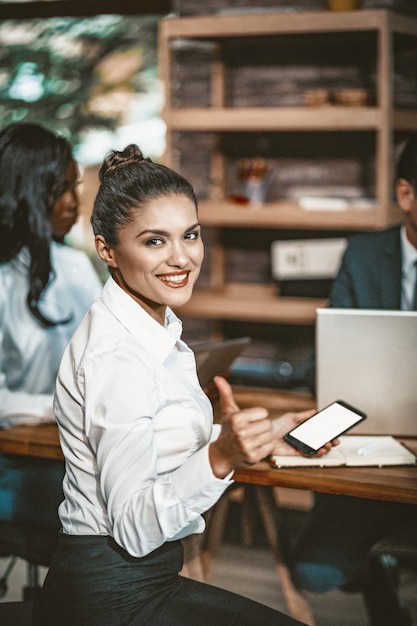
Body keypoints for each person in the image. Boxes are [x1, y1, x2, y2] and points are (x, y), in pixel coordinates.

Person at [39, 144, 337, 626]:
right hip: (109, 598)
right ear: (107, 249)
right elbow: (134, 528)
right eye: (155, 241)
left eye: (190, 235)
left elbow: (160, 442)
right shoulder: (118, 357)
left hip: (140, 583)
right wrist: (220, 459)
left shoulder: (153, 329)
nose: (182, 258)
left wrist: (261, 439)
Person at [292, 136, 417, 625]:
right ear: (406, 195)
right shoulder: (364, 256)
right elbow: (324, 360)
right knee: (313, 570)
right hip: (370, 445)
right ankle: (379, 571)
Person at [0, 122, 103, 531]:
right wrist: (56, 410)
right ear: (22, 192)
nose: (73, 202)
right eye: (59, 189)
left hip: (71, 449)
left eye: (74, 187)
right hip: (16, 459)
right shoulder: (4, 280)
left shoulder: (76, 267)